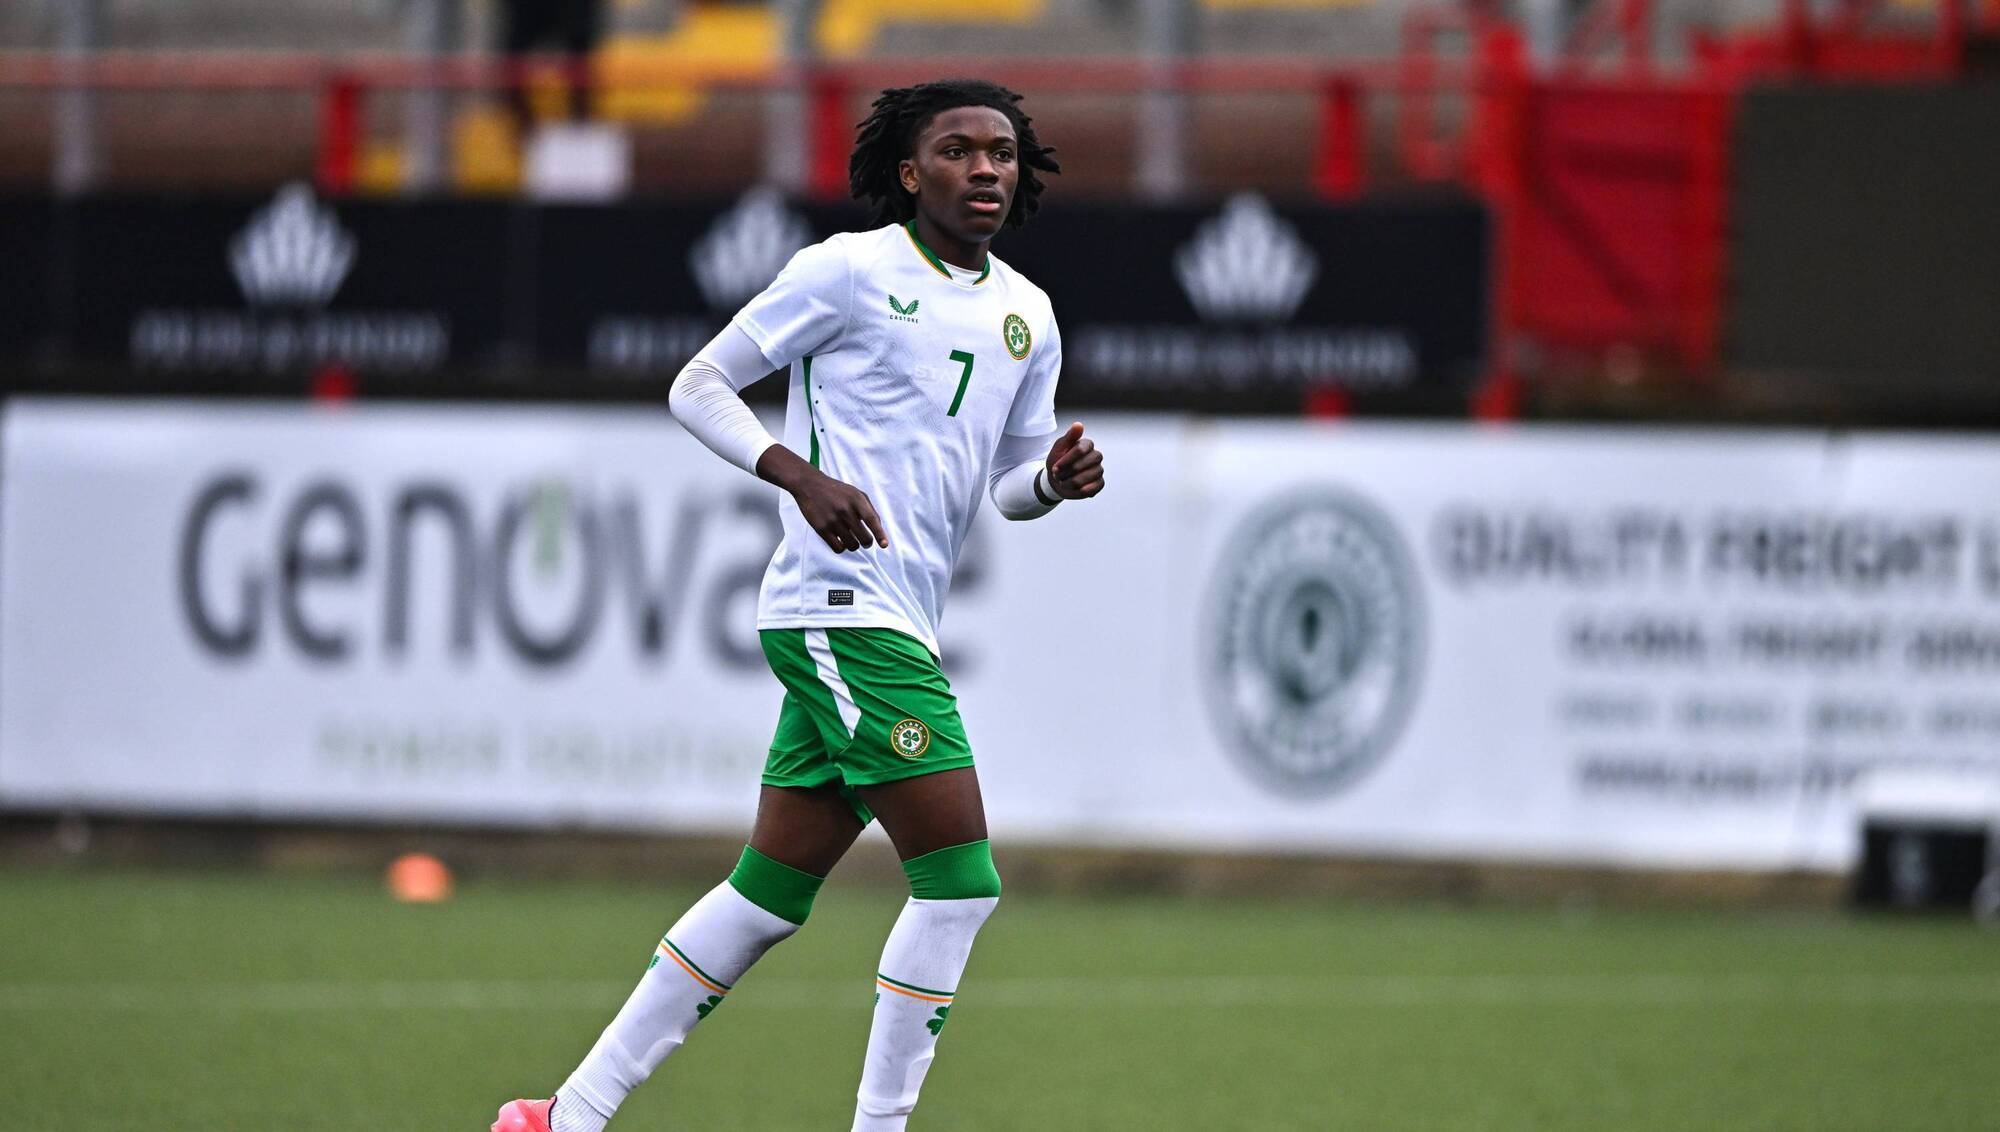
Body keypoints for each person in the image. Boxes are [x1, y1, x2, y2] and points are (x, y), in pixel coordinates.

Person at [493, 78, 1102, 1132]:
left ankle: (563, 1115)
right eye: (958, 150)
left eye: (1001, 153)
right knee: (960, 882)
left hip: (895, 616)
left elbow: (1009, 485)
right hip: (839, 606)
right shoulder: (848, 271)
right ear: (909, 173)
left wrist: (1049, 480)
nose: (986, 169)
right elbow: (697, 385)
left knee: (765, 897)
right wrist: (797, 475)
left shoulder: (1026, 315)